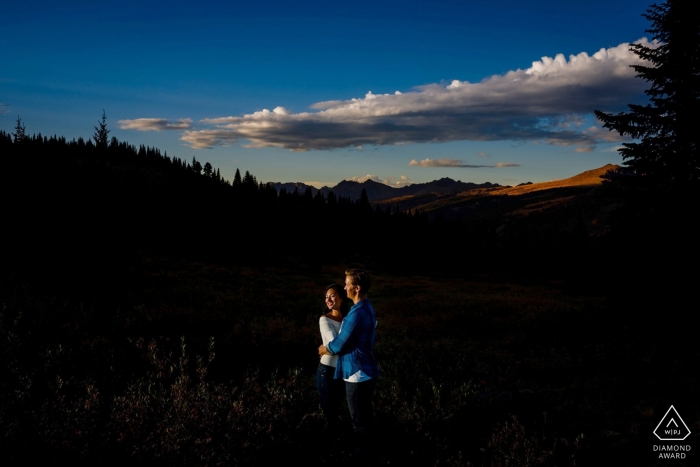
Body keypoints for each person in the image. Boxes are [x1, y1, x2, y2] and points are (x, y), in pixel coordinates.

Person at [318, 268, 379, 456]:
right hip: (365, 371)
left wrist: (322, 349)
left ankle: (362, 453)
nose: (345, 287)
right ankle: (368, 448)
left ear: (357, 288)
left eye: (347, 284)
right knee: (365, 417)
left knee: (358, 420)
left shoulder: (356, 313)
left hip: (356, 374)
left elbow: (337, 345)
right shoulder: (367, 307)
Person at [316, 283, 348, 431]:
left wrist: (325, 349)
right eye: (326, 297)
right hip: (327, 372)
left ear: (342, 298)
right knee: (330, 414)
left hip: (343, 372)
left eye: (332, 295)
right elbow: (334, 346)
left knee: (339, 411)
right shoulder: (325, 319)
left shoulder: (348, 320)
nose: (328, 299)